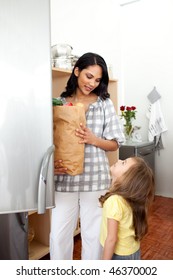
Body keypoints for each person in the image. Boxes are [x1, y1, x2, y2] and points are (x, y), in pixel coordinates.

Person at [50, 52, 125, 260]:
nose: (92, 83)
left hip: (95, 180)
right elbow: (50, 142)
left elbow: (115, 143)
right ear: (77, 71)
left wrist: (93, 139)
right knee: (58, 235)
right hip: (64, 178)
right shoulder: (60, 103)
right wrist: (51, 166)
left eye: (98, 79)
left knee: (92, 236)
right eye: (88, 76)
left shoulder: (104, 104)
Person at [99, 156, 155, 260]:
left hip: (119, 255)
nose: (119, 160)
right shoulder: (129, 198)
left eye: (124, 163)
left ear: (128, 178)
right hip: (133, 251)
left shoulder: (114, 201)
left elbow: (111, 239)